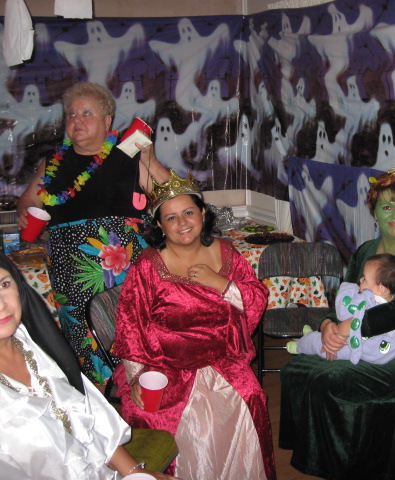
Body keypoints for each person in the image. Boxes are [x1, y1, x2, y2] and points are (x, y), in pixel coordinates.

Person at [279, 167, 395, 480]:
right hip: (361, 339)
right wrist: (328, 326)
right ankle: (324, 459)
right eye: (387, 206)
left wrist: (347, 329)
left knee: (328, 381)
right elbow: (346, 297)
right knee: (296, 369)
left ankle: (349, 467)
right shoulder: (367, 251)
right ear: (374, 211)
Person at [111, 170, 276, 480]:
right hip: (165, 364)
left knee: (250, 396)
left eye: (188, 212)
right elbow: (132, 324)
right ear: (160, 225)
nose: (182, 223)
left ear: (202, 213)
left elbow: (256, 299)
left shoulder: (226, 252)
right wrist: (135, 378)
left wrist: (221, 283)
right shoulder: (148, 265)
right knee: (159, 414)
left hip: (222, 358)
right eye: (171, 218)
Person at [16, 81, 169, 384]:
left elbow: (172, 195)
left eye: (87, 113)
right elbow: (29, 199)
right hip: (70, 272)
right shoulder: (53, 162)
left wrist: (149, 158)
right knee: (83, 341)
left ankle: (139, 392)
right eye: (71, 114)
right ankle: (96, 396)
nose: (77, 120)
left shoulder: (128, 155)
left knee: (132, 336)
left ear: (107, 121)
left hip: (123, 272)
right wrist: (25, 211)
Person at [0, 252, 179, 480]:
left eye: (4, 284)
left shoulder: (33, 343)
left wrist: (136, 472)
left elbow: (91, 415)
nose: (1, 304)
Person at [287, 253, 395, 384]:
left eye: (365, 279)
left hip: (362, 349)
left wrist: (348, 288)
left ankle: (300, 346)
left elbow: (342, 314)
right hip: (385, 353)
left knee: (320, 344)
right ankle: (312, 336)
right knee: (327, 336)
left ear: (380, 289)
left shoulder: (365, 300)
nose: (360, 280)